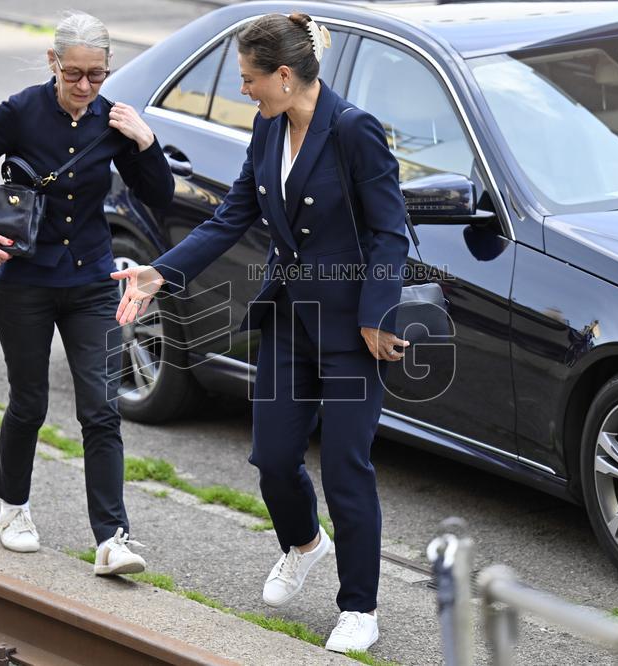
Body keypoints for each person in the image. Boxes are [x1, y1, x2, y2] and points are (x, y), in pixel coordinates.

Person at [113, 13, 409, 653]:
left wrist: (377, 314)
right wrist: (161, 274)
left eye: (249, 79)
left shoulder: (355, 132)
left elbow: (390, 232)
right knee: (273, 460)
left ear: (283, 74)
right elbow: (232, 218)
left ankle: (359, 608)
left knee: (346, 468)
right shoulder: (267, 127)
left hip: (352, 331)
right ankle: (304, 544)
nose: (242, 90)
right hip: (287, 321)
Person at [0, 12, 173, 575]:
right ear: (54, 64)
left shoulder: (113, 121)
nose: (87, 86)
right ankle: (13, 508)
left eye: (97, 74)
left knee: (101, 409)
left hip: (91, 280)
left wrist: (146, 142)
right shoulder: (21, 111)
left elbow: (159, 195)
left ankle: (113, 538)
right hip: (25, 281)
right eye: (75, 74)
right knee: (30, 403)